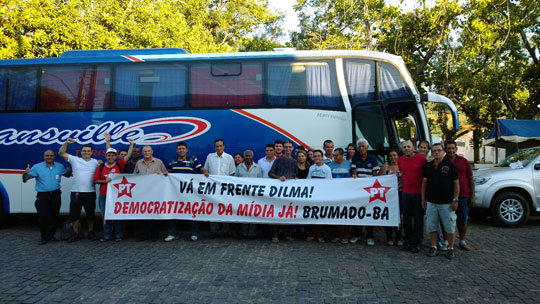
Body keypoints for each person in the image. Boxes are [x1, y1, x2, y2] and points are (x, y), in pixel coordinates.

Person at [23, 150, 71, 244]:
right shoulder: (37, 167)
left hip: (56, 194)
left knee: (54, 216)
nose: (49, 157)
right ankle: (44, 237)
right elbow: (25, 180)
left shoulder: (59, 166)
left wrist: (69, 172)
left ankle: (51, 235)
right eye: (47, 155)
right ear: (44, 157)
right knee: (43, 216)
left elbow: (67, 175)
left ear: (54, 157)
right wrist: (25, 173)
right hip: (43, 195)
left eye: (51, 155)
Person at [165, 141, 208, 242]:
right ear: (176, 150)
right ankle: (172, 233)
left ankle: (195, 233)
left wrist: (205, 172)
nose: (181, 150)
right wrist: (165, 173)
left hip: (190, 192)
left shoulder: (192, 159)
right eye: (179, 149)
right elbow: (169, 173)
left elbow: (200, 168)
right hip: (175, 192)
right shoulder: (173, 160)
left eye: (183, 148)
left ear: (186, 150)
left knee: (192, 211)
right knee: (173, 212)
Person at [422, 143, 459, 259]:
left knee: (450, 227)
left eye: (438, 150)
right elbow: (424, 183)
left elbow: (456, 183)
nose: (436, 153)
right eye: (434, 151)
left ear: (443, 152)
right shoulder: (428, 166)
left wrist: (455, 199)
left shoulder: (450, 166)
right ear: (431, 153)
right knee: (431, 226)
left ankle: (451, 248)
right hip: (431, 202)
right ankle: (434, 246)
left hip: (447, 203)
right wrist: (423, 199)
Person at [59, 139, 100, 242]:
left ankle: (91, 232)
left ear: (92, 152)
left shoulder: (96, 162)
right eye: (84, 151)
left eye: (88, 151)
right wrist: (67, 143)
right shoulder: (75, 159)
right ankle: (75, 233)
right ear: (81, 152)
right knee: (74, 215)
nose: (86, 152)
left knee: (90, 215)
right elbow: (61, 153)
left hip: (90, 192)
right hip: (76, 192)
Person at [94, 138, 134, 242]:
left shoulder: (119, 164)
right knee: (105, 216)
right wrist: (105, 181)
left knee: (118, 215)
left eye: (113, 155)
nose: (110, 157)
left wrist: (131, 145)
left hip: (117, 195)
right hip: (104, 194)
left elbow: (128, 155)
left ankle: (118, 235)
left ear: (116, 156)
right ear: (106, 156)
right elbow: (95, 180)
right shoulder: (101, 167)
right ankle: (107, 235)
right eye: (109, 155)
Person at [444, 139, 474, 251]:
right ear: (445, 149)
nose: (451, 150)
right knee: (446, 219)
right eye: (448, 148)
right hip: (446, 196)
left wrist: (472, 195)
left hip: (463, 195)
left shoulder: (464, 161)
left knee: (463, 219)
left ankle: (462, 241)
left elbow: (471, 179)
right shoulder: (442, 161)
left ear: (456, 149)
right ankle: (446, 241)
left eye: (453, 148)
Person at [398, 140, 427, 253]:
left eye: (408, 146)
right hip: (406, 193)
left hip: (418, 194)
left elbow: (426, 178)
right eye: (404, 147)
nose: (406, 149)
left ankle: (417, 242)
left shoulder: (422, 159)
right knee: (406, 220)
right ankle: (408, 241)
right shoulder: (401, 160)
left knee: (418, 220)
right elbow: (403, 176)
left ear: (413, 147)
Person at [134, 145, 168, 241]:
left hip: (155, 193)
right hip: (142, 193)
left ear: (152, 152)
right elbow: (133, 177)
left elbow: (166, 174)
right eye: (145, 151)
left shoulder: (158, 162)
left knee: (154, 214)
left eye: (148, 151)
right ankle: (144, 234)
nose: (147, 153)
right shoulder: (139, 163)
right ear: (142, 153)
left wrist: (162, 173)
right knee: (143, 214)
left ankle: (154, 235)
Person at [203, 139, 236, 238]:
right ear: (214, 147)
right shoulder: (210, 157)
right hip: (213, 187)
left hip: (225, 188)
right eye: (217, 146)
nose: (219, 148)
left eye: (220, 146)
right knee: (212, 208)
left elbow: (232, 173)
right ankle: (214, 230)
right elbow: (206, 169)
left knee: (225, 208)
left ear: (224, 146)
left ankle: (225, 230)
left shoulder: (229, 158)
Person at [350, 139, 380, 246]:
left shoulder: (373, 159)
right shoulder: (355, 158)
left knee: (369, 212)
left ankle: (370, 235)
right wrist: (356, 178)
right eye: (359, 146)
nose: (361, 148)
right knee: (357, 212)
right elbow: (354, 172)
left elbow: (375, 175)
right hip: (358, 190)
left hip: (369, 190)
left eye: (363, 146)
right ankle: (356, 234)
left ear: (367, 147)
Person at [269, 140, 297, 242]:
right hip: (278, 190)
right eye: (286, 147)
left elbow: (294, 174)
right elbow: (270, 173)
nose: (288, 149)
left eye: (290, 147)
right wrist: (278, 177)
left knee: (287, 212)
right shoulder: (278, 160)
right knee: (276, 212)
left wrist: (296, 178)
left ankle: (286, 234)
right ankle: (275, 234)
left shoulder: (294, 161)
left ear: (292, 148)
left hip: (289, 191)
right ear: (283, 149)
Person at [235, 150, 263, 239]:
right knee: (243, 213)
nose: (248, 157)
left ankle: (252, 233)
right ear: (244, 157)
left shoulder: (257, 168)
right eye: (246, 156)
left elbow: (261, 181)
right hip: (242, 195)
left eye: (250, 156)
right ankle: (244, 232)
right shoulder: (239, 167)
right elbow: (235, 180)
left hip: (253, 196)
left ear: (252, 156)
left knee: (253, 214)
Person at [307, 150, 332, 243]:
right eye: (315, 156)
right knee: (312, 215)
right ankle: (313, 234)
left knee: (321, 216)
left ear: (322, 157)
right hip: (313, 195)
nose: (317, 158)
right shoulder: (311, 168)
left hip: (323, 195)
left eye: (318, 156)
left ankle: (320, 235)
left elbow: (329, 183)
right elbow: (308, 180)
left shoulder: (327, 169)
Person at [378, 150, 403, 246]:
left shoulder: (402, 166)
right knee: (388, 214)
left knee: (398, 215)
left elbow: (406, 179)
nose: (392, 157)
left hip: (399, 194)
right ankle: (389, 236)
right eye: (390, 155)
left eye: (394, 155)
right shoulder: (385, 166)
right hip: (388, 195)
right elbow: (379, 179)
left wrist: (399, 187)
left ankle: (399, 236)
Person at [328, 148, 351, 244]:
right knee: (337, 215)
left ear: (342, 155)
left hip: (347, 194)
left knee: (346, 215)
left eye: (336, 155)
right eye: (334, 155)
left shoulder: (349, 164)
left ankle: (345, 236)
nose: (334, 157)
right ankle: (337, 236)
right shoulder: (329, 166)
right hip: (335, 194)